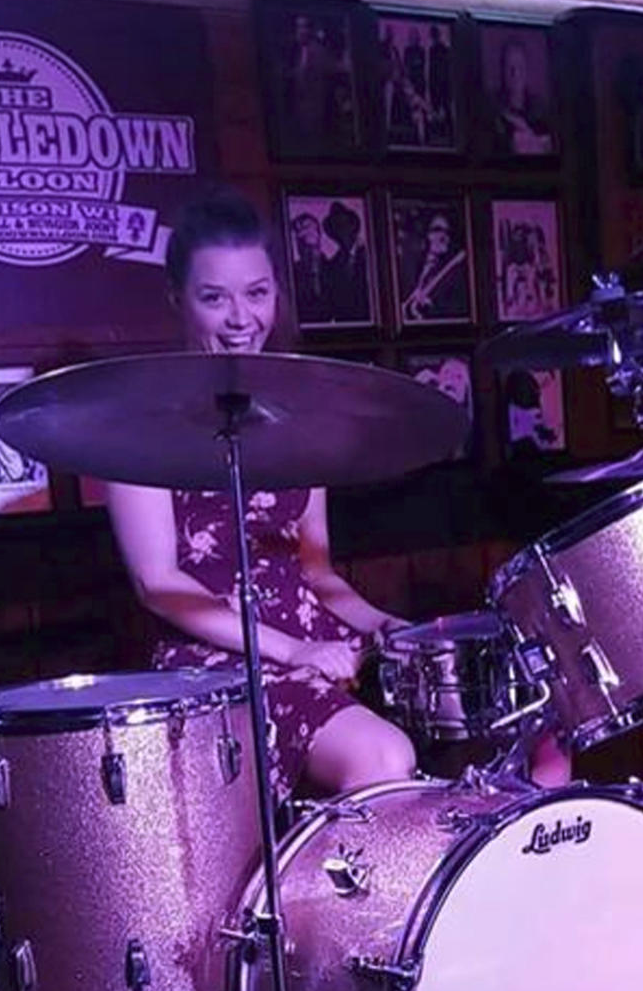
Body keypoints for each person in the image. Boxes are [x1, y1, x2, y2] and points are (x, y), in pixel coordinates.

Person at [105, 186, 417, 802]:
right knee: (383, 754)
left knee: (531, 719)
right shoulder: (132, 428)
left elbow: (317, 573)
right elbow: (158, 585)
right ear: (178, 300)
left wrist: (386, 626)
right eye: (214, 297)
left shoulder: (301, 417)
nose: (241, 318)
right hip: (216, 665)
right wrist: (293, 649)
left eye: (257, 292)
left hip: (321, 645)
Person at [401, 210, 468, 322]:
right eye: (437, 230)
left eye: (447, 232)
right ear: (427, 235)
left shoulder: (456, 273)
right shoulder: (412, 266)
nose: (443, 236)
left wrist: (432, 309)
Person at [491, 39, 552, 157]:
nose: (515, 74)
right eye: (509, 67)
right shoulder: (492, 112)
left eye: (520, 67)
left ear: (527, 70)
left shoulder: (542, 112)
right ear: (502, 71)